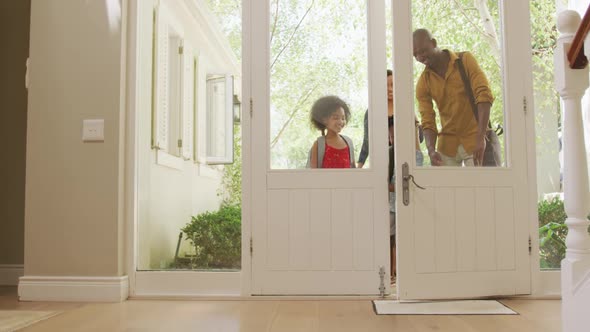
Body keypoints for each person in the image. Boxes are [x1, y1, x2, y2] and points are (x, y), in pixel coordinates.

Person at [413, 28, 494, 167]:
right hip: (447, 145)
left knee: (480, 187)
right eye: (415, 55)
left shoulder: (465, 60)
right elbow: (428, 120)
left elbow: (484, 95)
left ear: (433, 43)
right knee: (444, 188)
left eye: (422, 51)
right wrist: (431, 150)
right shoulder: (423, 83)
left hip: (475, 137)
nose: (420, 57)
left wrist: (481, 138)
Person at [358, 70, 424, 168]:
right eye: (386, 86)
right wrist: (359, 166)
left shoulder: (406, 108)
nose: (390, 89)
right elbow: (367, 141)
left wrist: (417, 125)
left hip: (405, 159)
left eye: (393, 85)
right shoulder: (372, 111)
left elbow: (420, 139)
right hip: (381, 160)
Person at [308, 95, 356, 168]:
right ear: (324, 120)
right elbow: (313, 174)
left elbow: (354, 171)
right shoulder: (318, 145)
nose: (340, 122)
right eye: (336, 118)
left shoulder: (348, 142)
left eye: (343, 118)